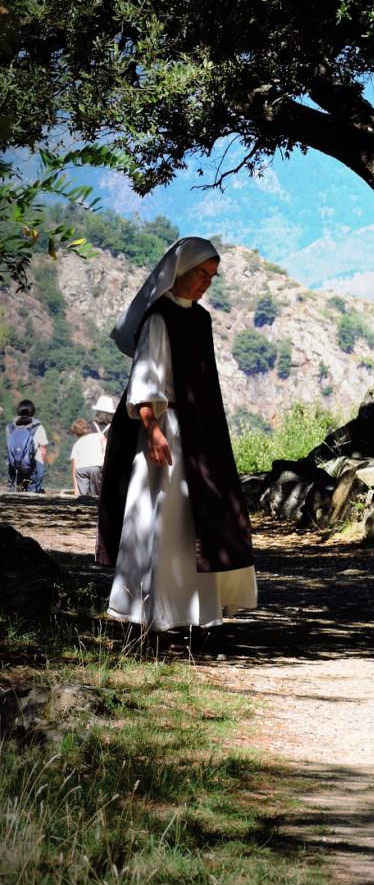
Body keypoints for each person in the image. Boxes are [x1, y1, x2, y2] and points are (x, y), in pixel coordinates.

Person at [97, 237, 257, 633]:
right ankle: (151, 613)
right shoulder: (158, 318)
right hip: (164, 433)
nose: (205, 283)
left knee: (195, 522)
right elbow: (147, 378)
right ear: (179, 271)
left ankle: (192, 613)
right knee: (161, 518)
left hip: (201, 435)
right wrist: (152, 429)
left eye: (211, 277)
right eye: (200, 273)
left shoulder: (199, 320)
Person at [6, 399, 48, 492]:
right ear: (32, 411)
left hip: (13, 464)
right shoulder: (38, 427)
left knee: (15, 490)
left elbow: (9, 446)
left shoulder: (10, 427)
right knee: (32, 490)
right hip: (33, 464)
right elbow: (43, 451)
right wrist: (43, 466)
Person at [70, 418, 106, 497]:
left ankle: (82, 506)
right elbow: (105, 448)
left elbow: (74, 467)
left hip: (81, 469)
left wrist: (76, 488)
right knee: (96, 495)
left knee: (83, 496)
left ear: (76, 433)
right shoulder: (99, 436)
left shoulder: (77, 444)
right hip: (95, 466)